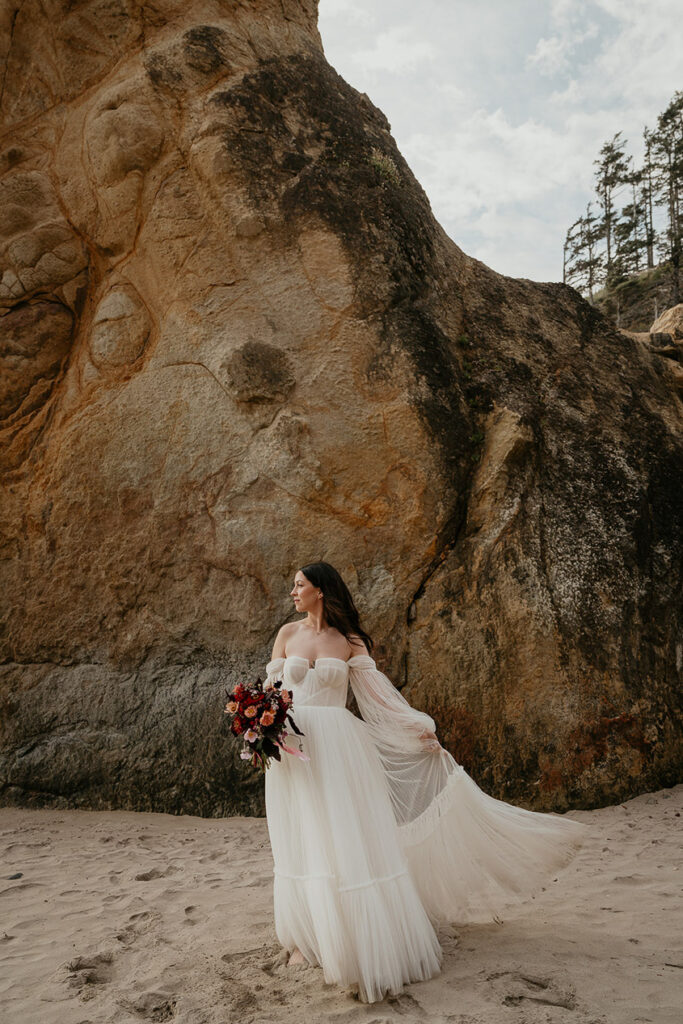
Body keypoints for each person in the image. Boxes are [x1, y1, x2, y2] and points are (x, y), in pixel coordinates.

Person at [263, 561, 587, 1003]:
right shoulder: (287, 634)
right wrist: (255, 724)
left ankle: (351, 933)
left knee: (342, 835)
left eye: (299, 585)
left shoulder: (348, 641)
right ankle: (305, 938)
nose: (293, 592)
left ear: (321, 590)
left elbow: (378, 697)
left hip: (340, 749)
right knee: (302, 835)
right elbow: (269, 693)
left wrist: (417, 727)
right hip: (295, 749)